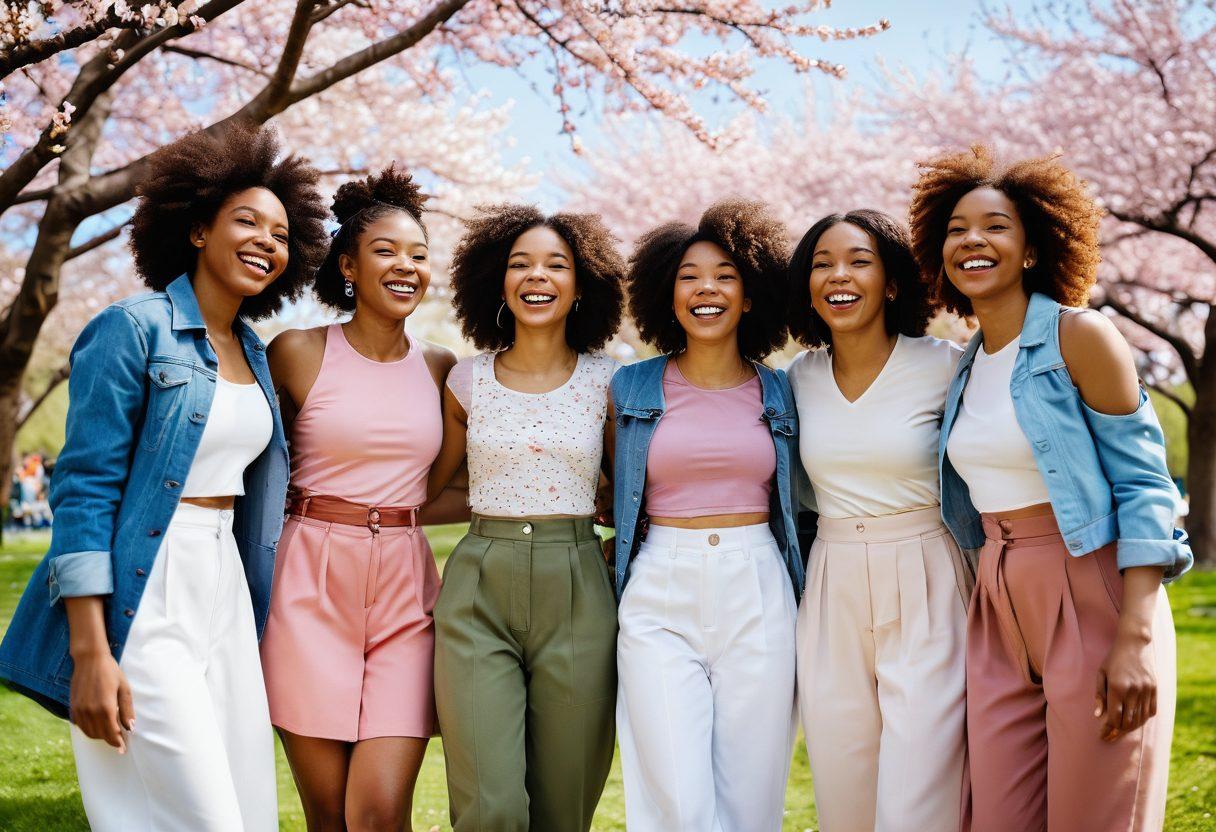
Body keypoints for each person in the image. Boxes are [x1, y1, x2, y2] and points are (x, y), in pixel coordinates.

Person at [0, 123, 328, 831]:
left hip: (225, 589)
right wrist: (91, 653)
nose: (266, 242)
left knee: (245, 810)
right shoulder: (131, 328)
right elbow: (83, 490)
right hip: (144, 586)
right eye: (247, 221)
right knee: (202, 816)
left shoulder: (253, 351)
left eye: (280, 234)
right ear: (199, 229)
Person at [909, 145, 1192, 832]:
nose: (972, 240)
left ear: (1033, 248)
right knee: (997, 815)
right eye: (956, 229)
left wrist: (1134, 636)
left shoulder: (1080, 336)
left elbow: (1145, 484)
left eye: (995, 226)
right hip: (996, 599)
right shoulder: (967, 364)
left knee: (1096, 815)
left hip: (1091, 587)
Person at [259, 164, 465, 831]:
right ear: (348, 265)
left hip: (406, 588)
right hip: (308, 584)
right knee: (327, 815)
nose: (407, 266)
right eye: (386, 251)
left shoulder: (441, 367)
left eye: (419, 255)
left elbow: (451, 487)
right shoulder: (296, 352)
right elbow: (251, 466)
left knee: (378, 812)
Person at [427, 204, 626, 831]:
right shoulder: (466, 381)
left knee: (565, 805)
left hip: (579, 588)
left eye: (555, 265)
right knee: (492, 805)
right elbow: (432, 490)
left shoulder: (610, 383)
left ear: (581, 284)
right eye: (520, 264)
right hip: (479, 587)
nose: (536, 276)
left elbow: (629, 493)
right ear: (498, 280)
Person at [611, 200, 802, 832]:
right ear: (667, 297)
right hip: (660, 588)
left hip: (758, 585)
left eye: (725, 275)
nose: (706, 289)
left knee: (752, 794)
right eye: (689, 277)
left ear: (750, 296)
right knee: (676, 795)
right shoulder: (630, 388)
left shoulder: (781, 391)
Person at [785, 209, 970, 831]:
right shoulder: (799, 378)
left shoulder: (945, 365)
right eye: (822, 264)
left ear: (891, 282)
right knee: (843, 781)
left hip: (928, 574)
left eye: (858, 261)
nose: (839, 275)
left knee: (921, 785)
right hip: (831, 578)